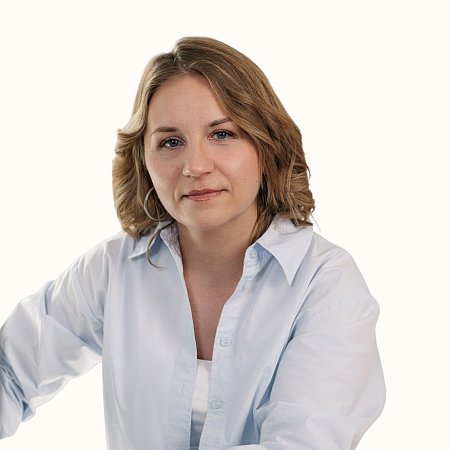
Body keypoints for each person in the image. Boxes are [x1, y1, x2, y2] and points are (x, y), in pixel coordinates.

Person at [0, 37, 385, 449]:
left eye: (222, 134)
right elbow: (10, 373)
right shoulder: (114, 267)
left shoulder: (325, 283)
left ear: (266, 144)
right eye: (170, 142)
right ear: (144, 161)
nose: (195, 166)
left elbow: (301, 444)